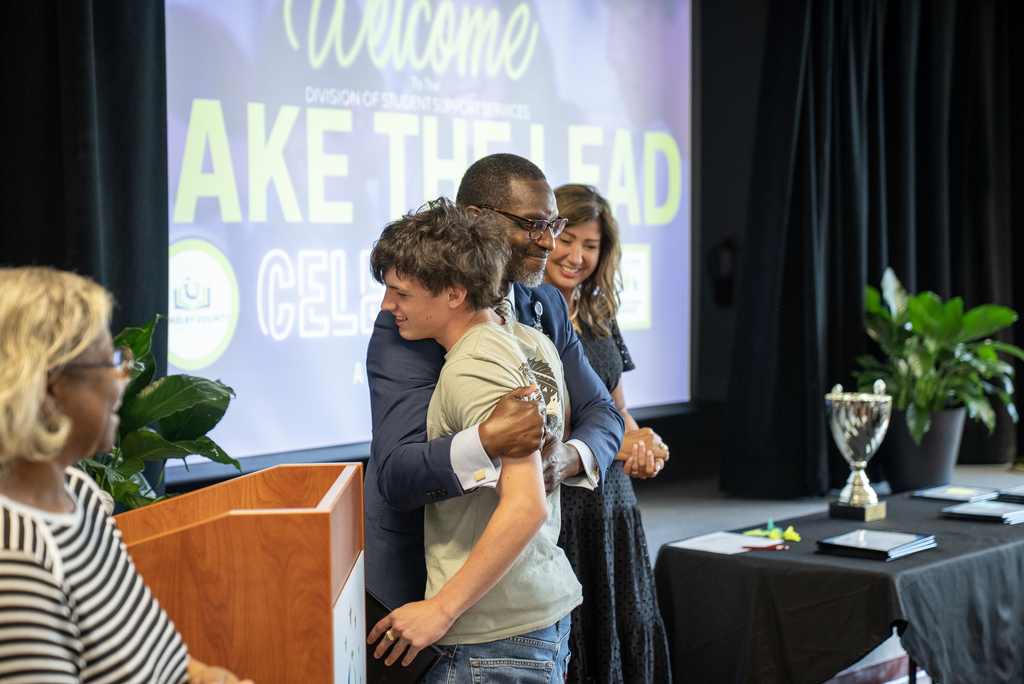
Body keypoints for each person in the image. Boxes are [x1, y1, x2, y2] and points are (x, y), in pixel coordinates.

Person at [364, 154, 624, 613]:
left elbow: (602, 413)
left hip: (522, 584)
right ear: (474, 220)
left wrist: (565, 457)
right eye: (532, 224)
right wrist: (486, 440)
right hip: (423, 578)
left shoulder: (545, 304)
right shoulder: (409, 320)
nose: (548, 241)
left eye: (553, 223)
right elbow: (395, 472)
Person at [0, 266, 252, 684]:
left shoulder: (78, 492)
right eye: (112, 360)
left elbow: (156, 659)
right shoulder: (17, 559)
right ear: (48, 390)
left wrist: (210, 677)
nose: (125, 376)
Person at [366, 200, 580, 681]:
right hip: (532, 610)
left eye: (400, 292)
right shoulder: (532, 343)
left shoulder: (473, 365)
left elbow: (527, 506)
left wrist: (441, 609)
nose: (387, 305)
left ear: (455, 293)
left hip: (492, 634)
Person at [546, 184, 673, 684]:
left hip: (615, 506)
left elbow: (618, 412)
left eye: (591, 245)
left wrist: (646, 443)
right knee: (576, 640)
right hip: (564, 505)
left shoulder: (601, 317)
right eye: (567, 238)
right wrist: (625, 443)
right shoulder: (521, 320)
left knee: (625, 627)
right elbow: (555, 426)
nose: (577, 256)